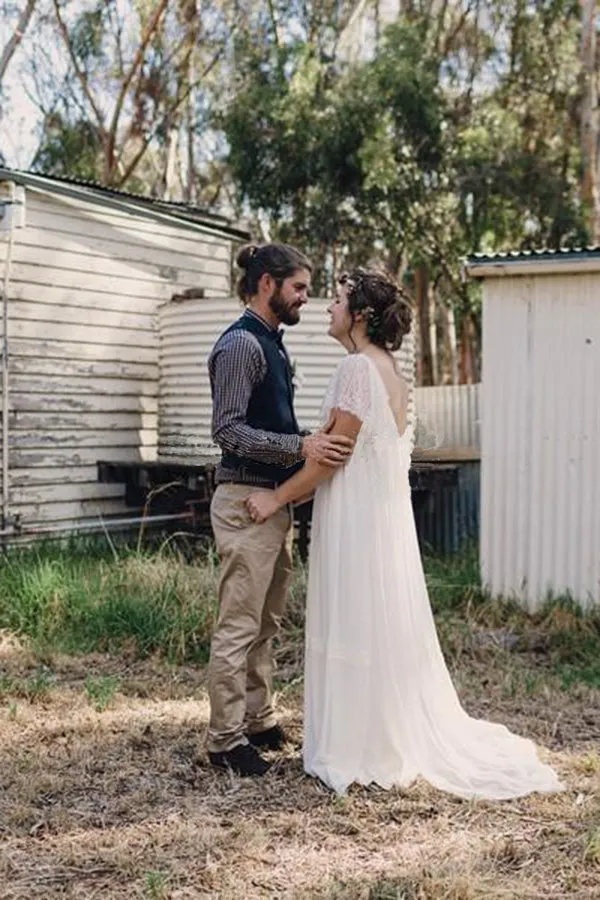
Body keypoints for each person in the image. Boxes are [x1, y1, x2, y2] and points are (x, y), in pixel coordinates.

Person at [246, 266, 564, 800]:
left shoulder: (355, 371)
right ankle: (378, 730)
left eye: (339, 299)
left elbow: (333, 457)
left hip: (355, 519)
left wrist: (276, 497)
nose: (329, 307)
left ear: (361, 316)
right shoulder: (391, 372)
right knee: (375, 619)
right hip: (383, 520)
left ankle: (359, 744)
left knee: (354, 617)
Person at [206, 243, 355, 778]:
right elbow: (227, 429)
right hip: (243, 502)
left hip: (271, 504)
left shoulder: (273, 344)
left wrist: (300, 465)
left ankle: (259, 718)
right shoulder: (242, 345)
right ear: (267, 284)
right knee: (238, 624)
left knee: (266, 622)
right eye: (298, 288)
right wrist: (301, 448)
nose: (305, 298)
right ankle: (224, 741)